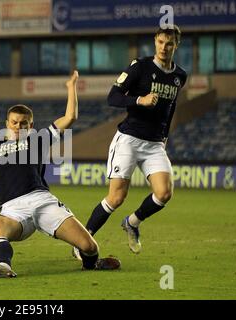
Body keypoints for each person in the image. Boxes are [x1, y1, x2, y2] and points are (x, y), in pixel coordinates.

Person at [0, 71, 120, 278]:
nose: (18, 126)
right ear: (7, 123)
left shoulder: (38, 139)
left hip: (43, 201)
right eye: (14, 122)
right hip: (12, 209)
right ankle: (3, 267)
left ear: (31, 126)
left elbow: (70, 117)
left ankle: (92, 264)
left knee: (88, 246)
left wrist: (71, 87)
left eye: (23, 123)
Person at [80, 25, 188, 255]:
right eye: (160, 42)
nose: (164, 47)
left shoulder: (180, 76)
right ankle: (83, 241)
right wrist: (139, 100)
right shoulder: (140, 66)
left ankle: (132, 222)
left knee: (164, 193)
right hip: (129, 139)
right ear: (155, 42)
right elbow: (113, 97)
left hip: (155, 143)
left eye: (169, 43)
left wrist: (165, 136)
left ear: (176, 45)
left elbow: (171, 107)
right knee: (116, 197)